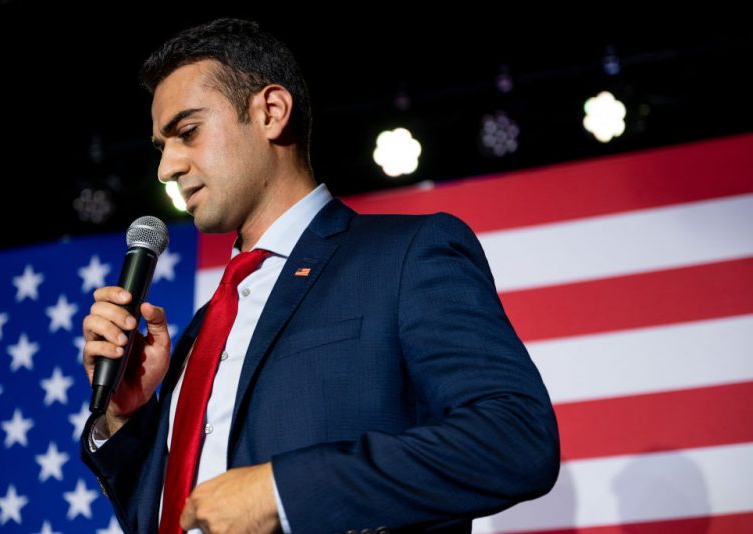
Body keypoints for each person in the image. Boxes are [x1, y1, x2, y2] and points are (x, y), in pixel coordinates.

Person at [80, 18, 559, 534]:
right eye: (160, 147)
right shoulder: (200, 330)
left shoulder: (406, 255)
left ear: (270, 112)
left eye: (188, 132)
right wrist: (125, 419)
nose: (166, 168)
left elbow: (515, 437)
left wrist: (282, 492)